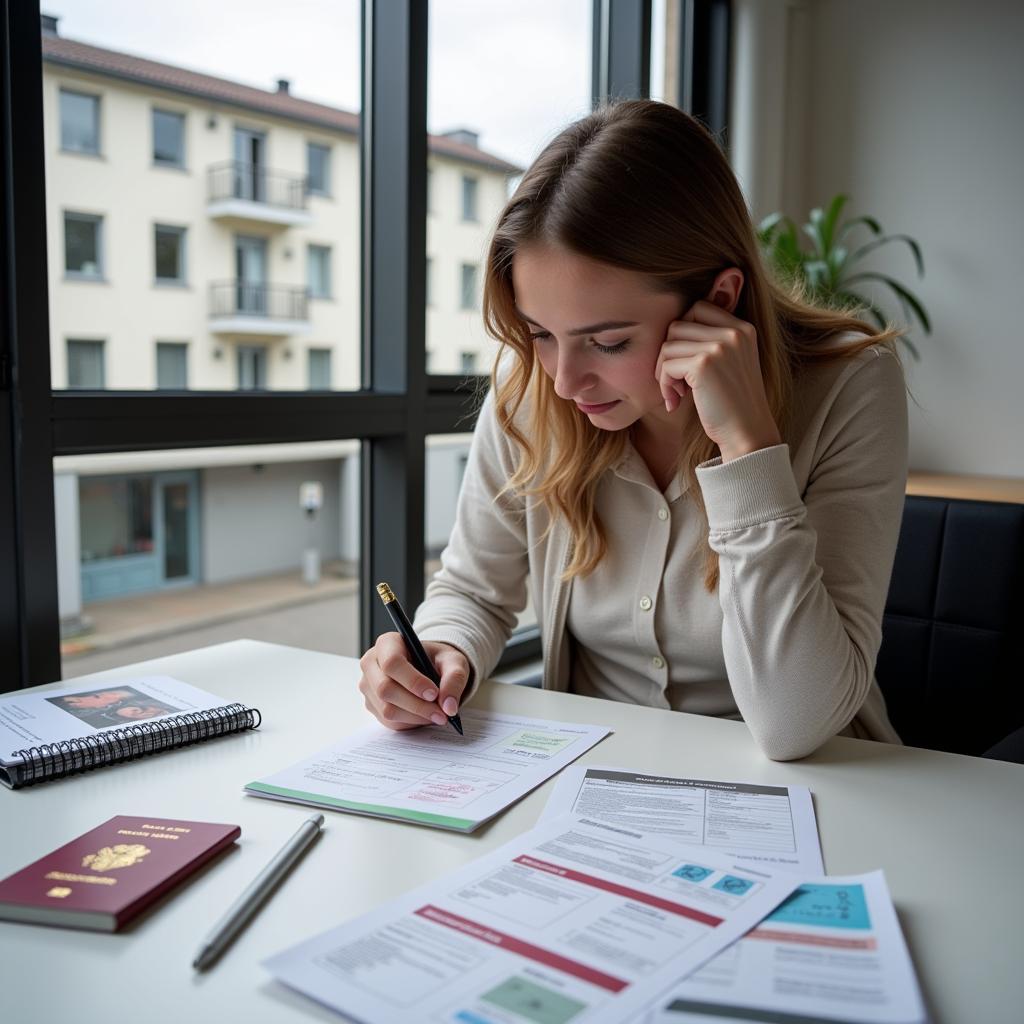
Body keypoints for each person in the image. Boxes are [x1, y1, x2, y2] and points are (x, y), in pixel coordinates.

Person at [358, 100, 908, 761]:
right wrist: (442, 651)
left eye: (609, 341)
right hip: (593, 785)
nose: (563, 382)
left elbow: (798, 724)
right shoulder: (532, 388)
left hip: (819, 791)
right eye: (538, 334)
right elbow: (474, 589)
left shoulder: (848, 386)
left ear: (719, 300)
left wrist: (750, 451)